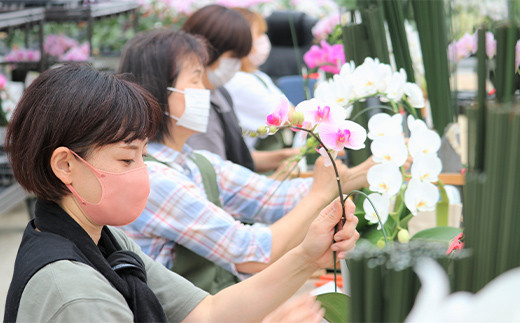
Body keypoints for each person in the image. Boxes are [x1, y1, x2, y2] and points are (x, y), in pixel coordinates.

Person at [3, 63, 359, 322]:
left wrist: (307, 257)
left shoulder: (106, 242)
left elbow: (207, 312)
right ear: (65, 165)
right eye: (127, 159)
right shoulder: (75, 294)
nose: (144, 172)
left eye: (143, 155)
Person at [117, 29, 372, 294]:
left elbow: (274, 199)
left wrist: (361, 174)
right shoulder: (153, 178)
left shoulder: (196, 162)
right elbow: (251, 254)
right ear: (157, 90)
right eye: (195, 80)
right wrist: (320, 195)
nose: (205, 91)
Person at [181, 4, 256, 170]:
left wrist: (284, 156)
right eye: (233, 56)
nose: (237, 65)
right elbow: (214, 174)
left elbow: (238, 157)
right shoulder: (190, 104)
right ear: (207, 50)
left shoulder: (220, 93)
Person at [226, 7, 301, 173]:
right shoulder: (239, 81)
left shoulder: (255, 74)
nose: (263, 41)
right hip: (250, 169)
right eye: (258, 35)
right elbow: (292, 117)